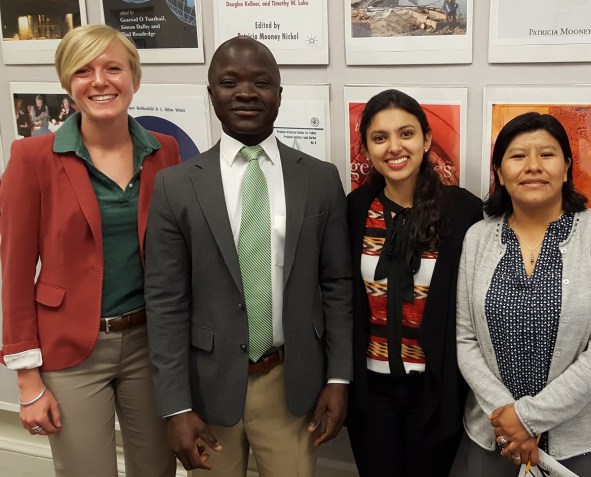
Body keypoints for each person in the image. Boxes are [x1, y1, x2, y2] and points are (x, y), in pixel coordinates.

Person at [145, 36, 352, 476]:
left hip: (290, 383)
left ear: (279, 94)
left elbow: (337, 285)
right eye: (229, 82)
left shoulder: (319, 179)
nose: (245, 92)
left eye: (261, 82)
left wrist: (338, 378)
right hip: (207, 386)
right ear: (211, 94)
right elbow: (165, 303)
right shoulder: (176, 186)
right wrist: (175, 407)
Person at [0, 24, 180, 477]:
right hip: (70, 350)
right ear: (68, 83)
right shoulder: (32, 158)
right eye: (83, 70)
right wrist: (27, 379)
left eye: (113, 68)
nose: (99, 81)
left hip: (150, 344)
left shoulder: (165, 152)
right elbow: (15, 272)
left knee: (157, 469)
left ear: (134, 78)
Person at [456, 112, 591, 476]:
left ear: (567, 167)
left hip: (582, 443)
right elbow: (465, 339)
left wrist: (527, 418)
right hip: (494, 433)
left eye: (547, 154)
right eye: (518, 156)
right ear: (500, 172)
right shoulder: (477, 237)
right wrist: (507, 419)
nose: (533, 166)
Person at [346, 89, 483, 477]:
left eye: (406, 133)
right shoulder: (355, 209)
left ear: (426, 139)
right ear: (366, 148)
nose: (394, 147)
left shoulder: (463, 210)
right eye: (380, 137)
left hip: (435, 391)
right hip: (370, 391)